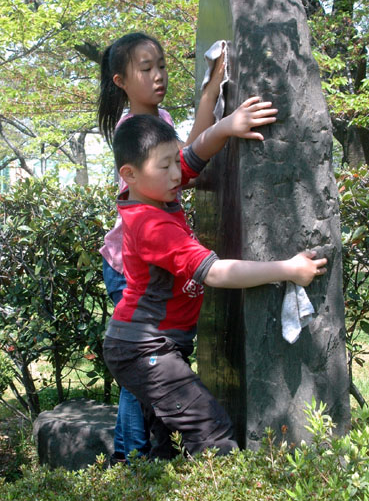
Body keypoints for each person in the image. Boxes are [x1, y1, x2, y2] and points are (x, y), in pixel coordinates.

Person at [103, 102, 328, 460]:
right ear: (129, 174)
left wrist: (225, 126)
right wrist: (286, 268)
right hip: (143, 348)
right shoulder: (151, 224)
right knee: (211, 431)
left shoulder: (156, 189)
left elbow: (193, 156)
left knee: (170, 443)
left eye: (174, 162)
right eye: (166, 166)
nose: (178, 174)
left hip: (154, 347)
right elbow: (216, 272)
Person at [97, 31, 225, 464]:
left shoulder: (160, 119)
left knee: (157, 368)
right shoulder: (133, 129)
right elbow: (187, 164)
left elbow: (188, 152)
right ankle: (131, 458)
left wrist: (210, 93)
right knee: (145, 368)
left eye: (162, 66)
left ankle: (157, 455)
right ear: (121, 81)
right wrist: (221, 122)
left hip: (155, 256)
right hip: (132, 264)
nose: (158, 77)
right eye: (145, 69)